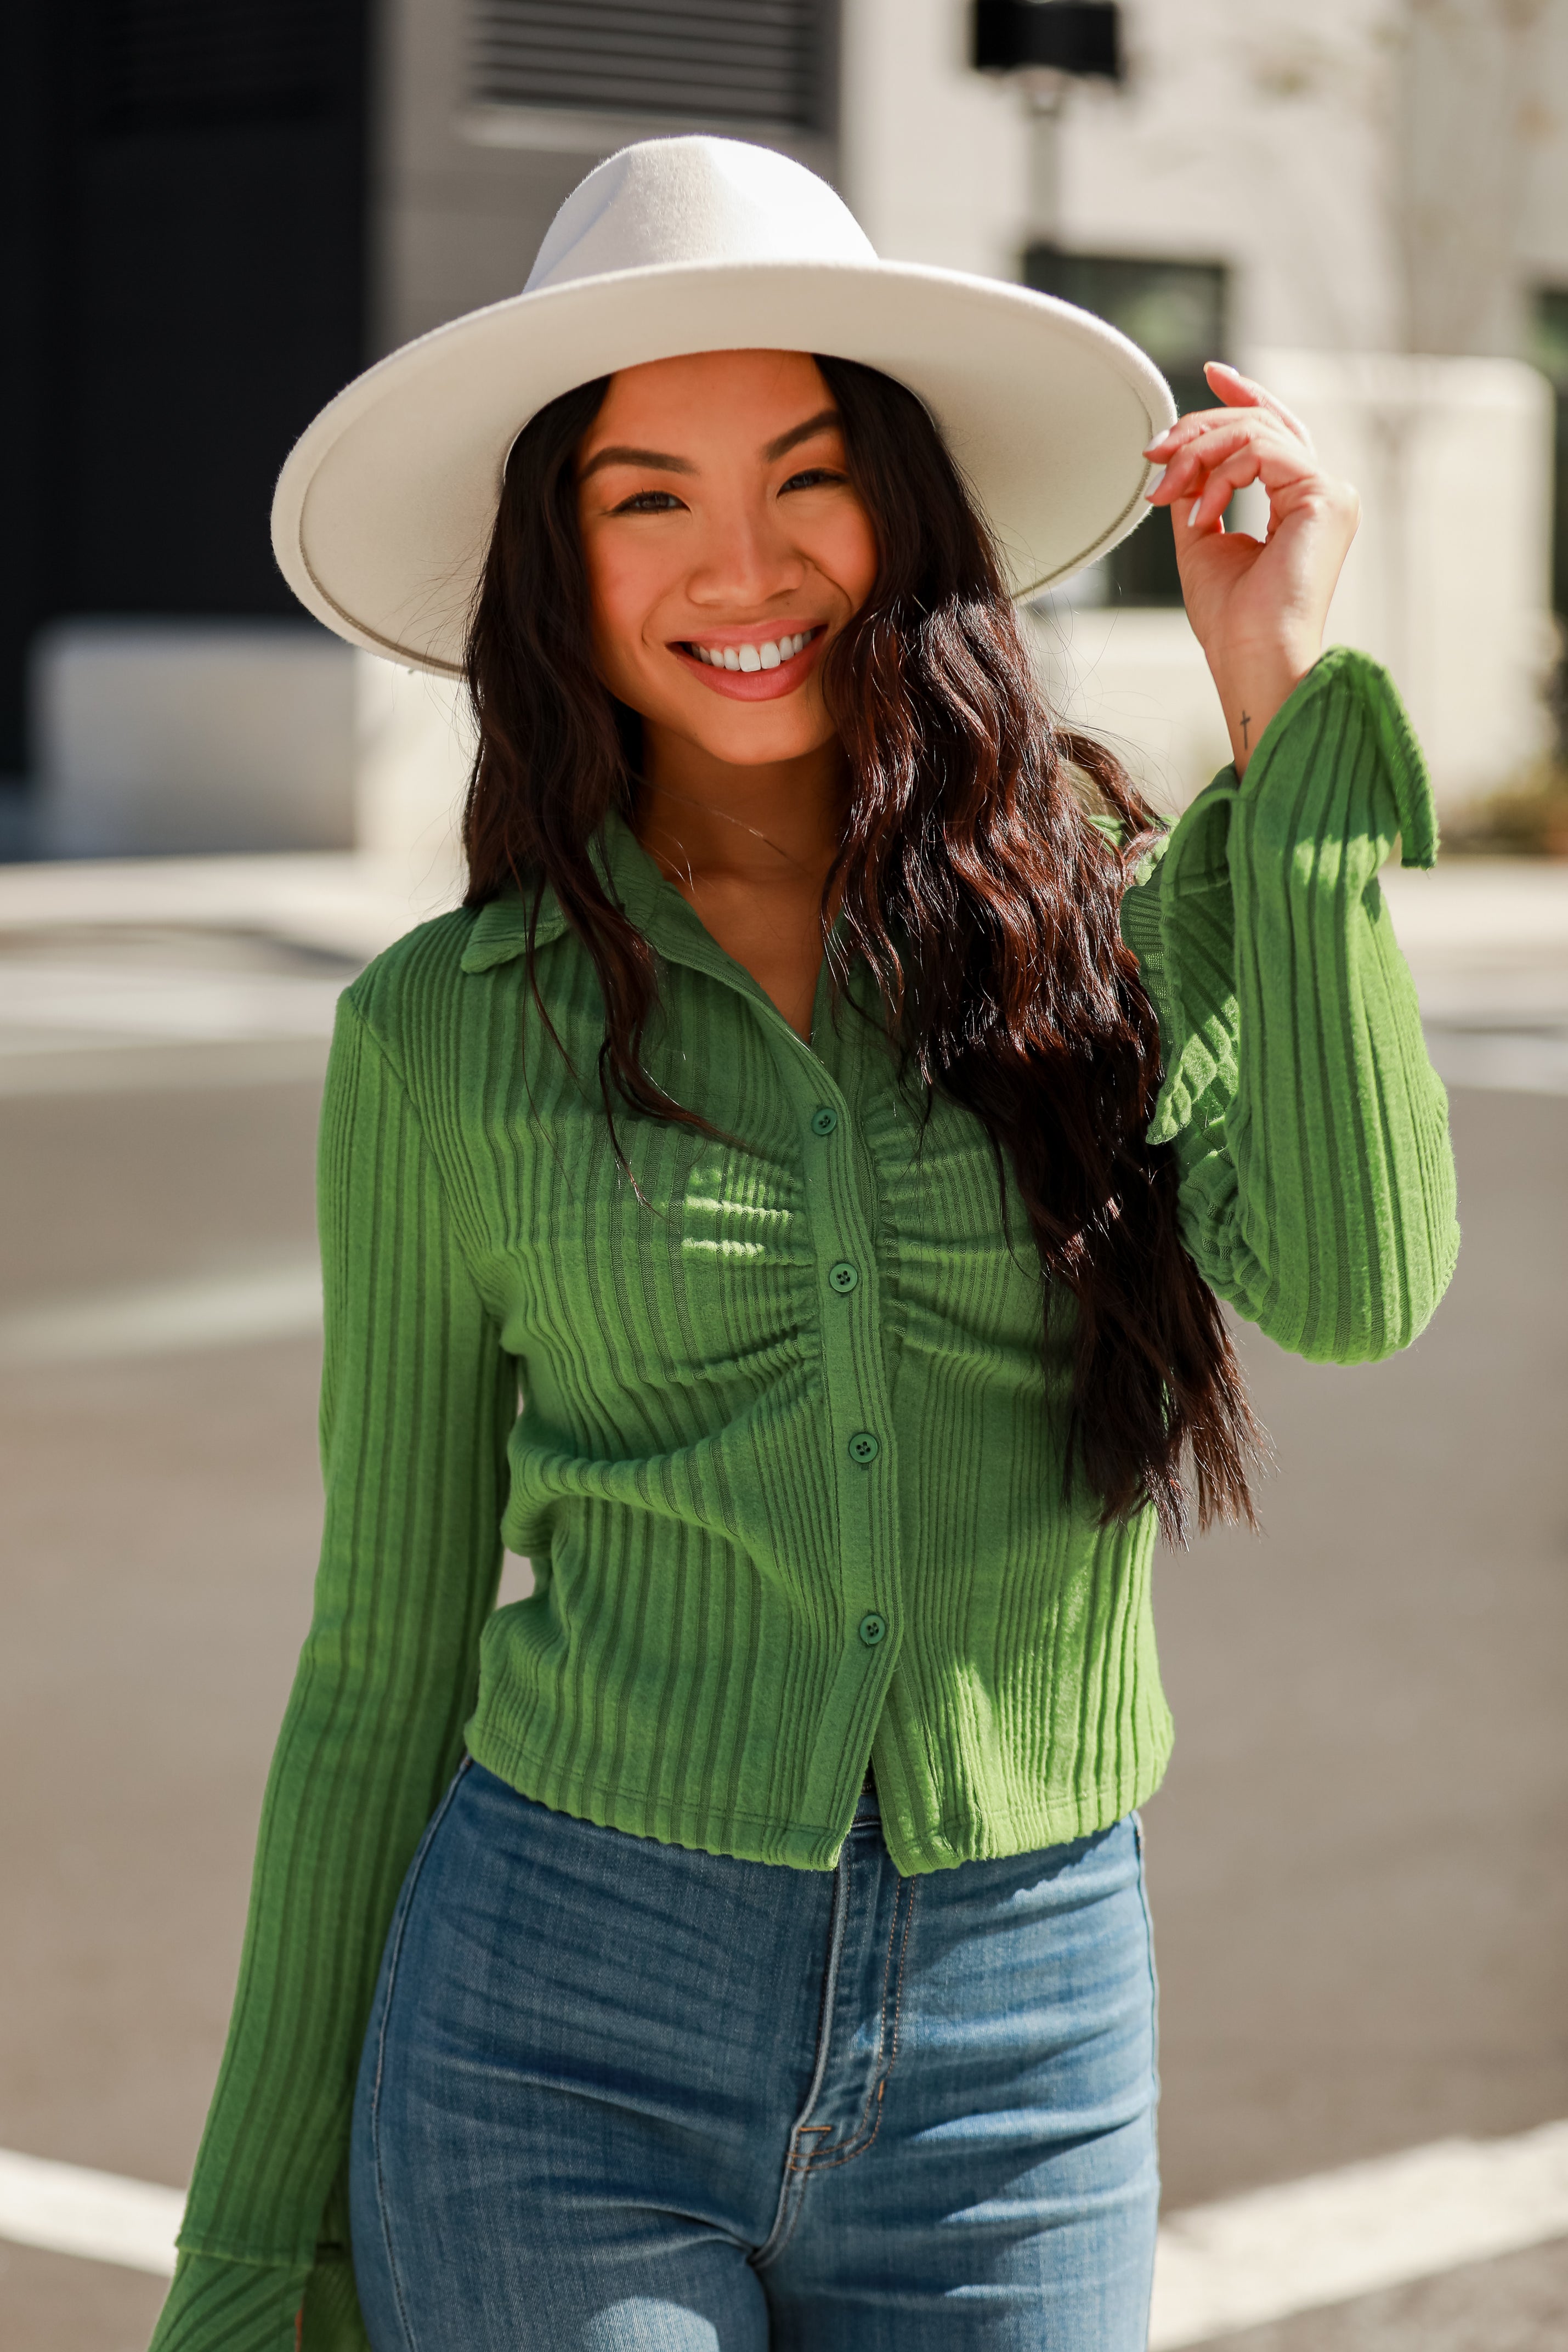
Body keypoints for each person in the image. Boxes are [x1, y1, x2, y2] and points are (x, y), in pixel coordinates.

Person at [149, 138, 1458, 2352]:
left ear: (909, 511)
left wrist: (1279, 718)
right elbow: (378, 1659)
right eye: (645, 492)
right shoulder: (440, 1043)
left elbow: (1354, 1277)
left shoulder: (1110, 935)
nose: (738, 563)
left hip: (1024, 2050)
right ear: (557, 558)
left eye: (805, 474)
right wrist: (248, 2258)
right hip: (551, 2023)